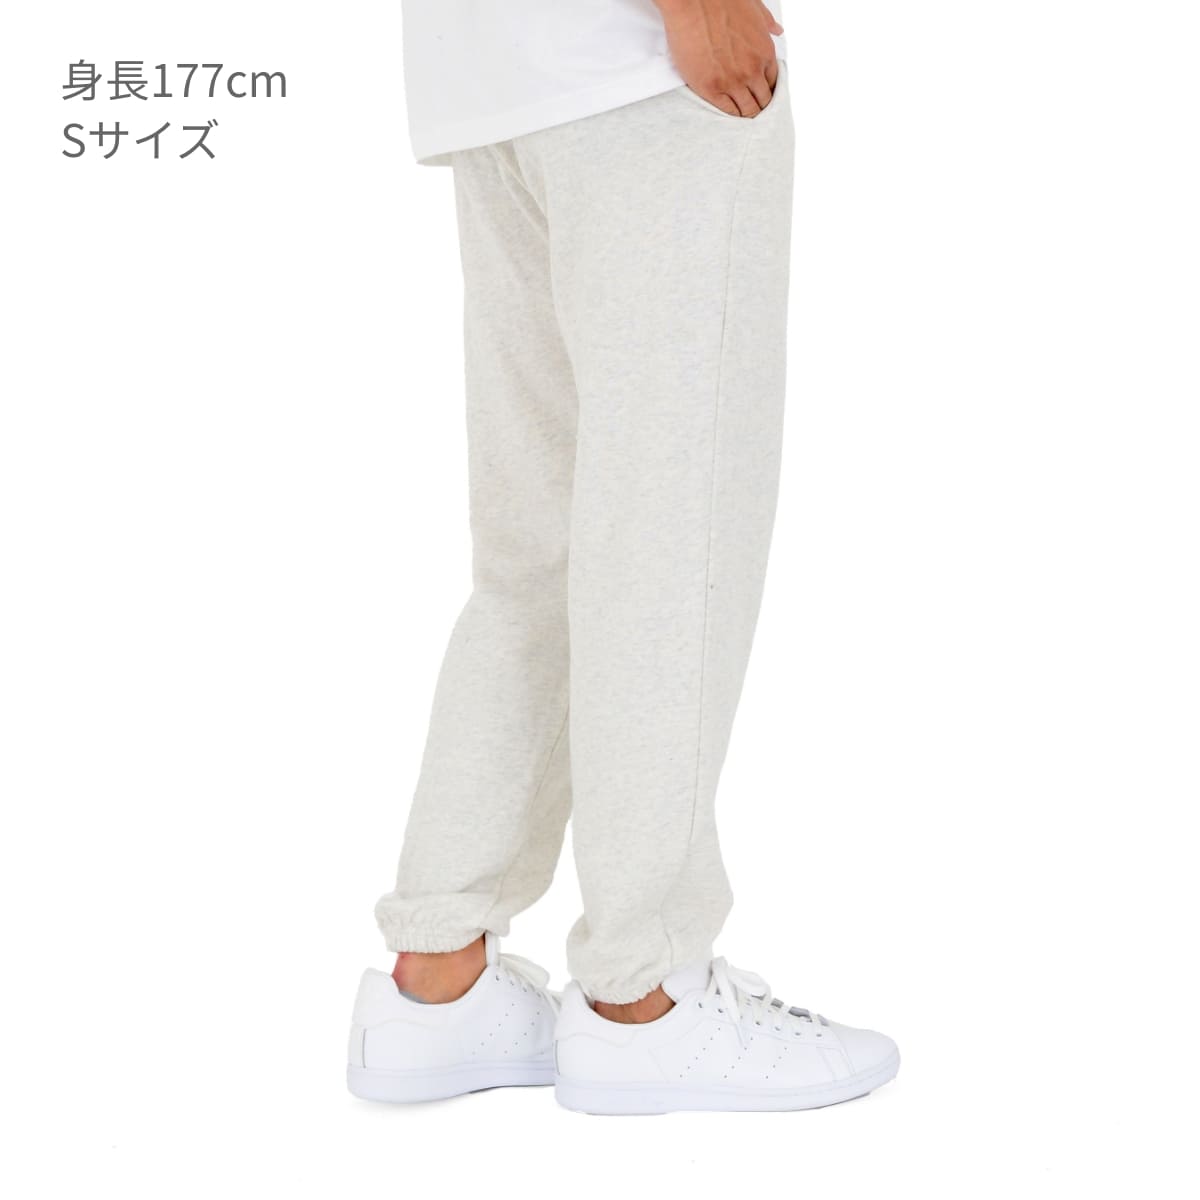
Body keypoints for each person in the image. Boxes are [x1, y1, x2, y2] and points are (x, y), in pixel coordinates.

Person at [347, 0, 899, 1115]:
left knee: (536, 559)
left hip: (489, 71)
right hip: (637, 67)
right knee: (672, 540)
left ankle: (440, 977)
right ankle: (645, 995)